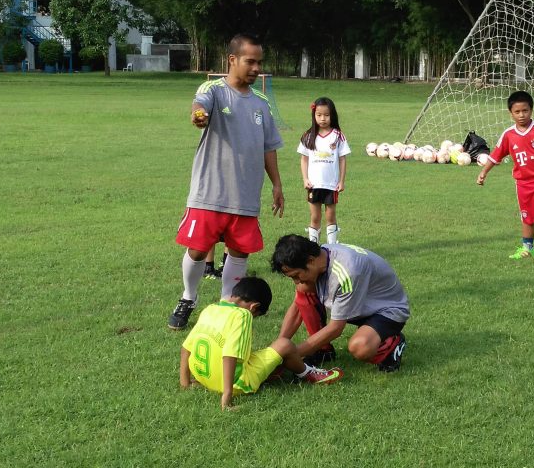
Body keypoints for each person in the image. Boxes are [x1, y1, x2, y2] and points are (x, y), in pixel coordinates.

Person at [168, 33, 285, 330]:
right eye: (250, 61)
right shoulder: (214, 90)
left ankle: (225, 304)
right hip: (210, 191)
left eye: (259, 62)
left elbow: (268, 146)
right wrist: (199, 115)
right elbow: (200, 104)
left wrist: (277, 185)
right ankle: (188, 298)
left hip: (246, 195)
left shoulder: (261, 103)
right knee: (196, 249)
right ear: (232, 60)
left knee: (239, 251)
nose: (256, 68)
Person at [180, 277, 343, 410]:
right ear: (254, 307)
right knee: (284, 344)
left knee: (263, 353)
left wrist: (185, 383)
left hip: (202, 377)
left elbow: (186, 347)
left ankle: (276, 368)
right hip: (236, 383)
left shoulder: (211, 308)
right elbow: (230, 355)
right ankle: (308, 373)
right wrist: (226, 397)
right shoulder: (243, 315)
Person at [271, 234, 410, 372]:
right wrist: (275, 352)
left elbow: (336, 328)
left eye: (296, 275)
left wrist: (291, 355)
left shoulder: (348, 273)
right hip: (362, 303)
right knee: (303, 288)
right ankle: (322, 351)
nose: (296, 281)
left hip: (387, 310)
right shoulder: (322, 254)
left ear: (311, 260)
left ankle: (392, 343)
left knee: (360, 347)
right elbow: (297, 308)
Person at [476, 90, 534, 261]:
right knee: (527, 215)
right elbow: (495, 155)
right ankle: (528, 247)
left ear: (531, 110)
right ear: (510, 113)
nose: (521, 115)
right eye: (517, 112)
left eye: (525, 110)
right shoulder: (508, 135)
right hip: (523, 183)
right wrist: (483, 172)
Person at [297, 97, 350, 245]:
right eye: (319, 115)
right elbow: (304, 159)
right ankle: (313, 248)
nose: (322, 118)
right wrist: (305, 179)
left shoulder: (338, 135)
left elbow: (342, 159)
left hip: (331, 184)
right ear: (314, 115)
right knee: (315, 217)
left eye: (326, 115)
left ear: (332, 115)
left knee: (331, 216)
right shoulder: (308, 136)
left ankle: (332, 248)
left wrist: (341, 181)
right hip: (314, 184)